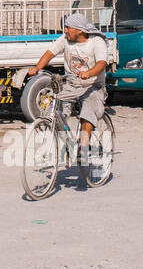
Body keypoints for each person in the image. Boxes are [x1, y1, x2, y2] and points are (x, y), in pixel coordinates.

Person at [28, 13, 109, 163]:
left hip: (93, 86)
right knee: (54, 109)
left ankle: (83, 148)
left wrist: (89, 73)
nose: (65, 30)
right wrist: (37, 68)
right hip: (71, 85)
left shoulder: (96, 42)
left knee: (88, 112)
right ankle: (67, 142)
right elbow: (49, 53)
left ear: (79, 30)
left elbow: (102, 63)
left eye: (67, 27)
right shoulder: (65, 40)